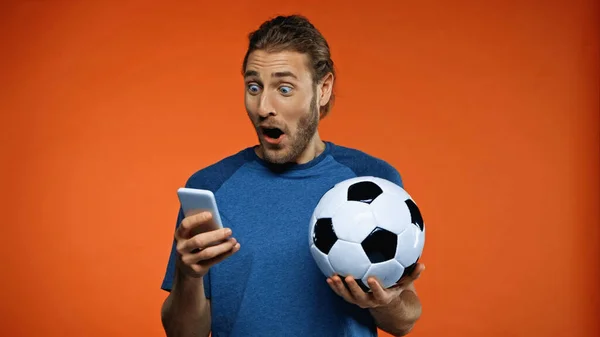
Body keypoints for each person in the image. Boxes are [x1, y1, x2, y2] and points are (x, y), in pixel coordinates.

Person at [160, 14, 425, 337]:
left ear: (323, 89)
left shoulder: (372, 182)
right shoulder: (210, 188)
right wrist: (188, 276)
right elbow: (183, 334)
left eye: (284, 88)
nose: (263, 107)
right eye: (253, 87)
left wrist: (381, 302)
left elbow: (404, 319)